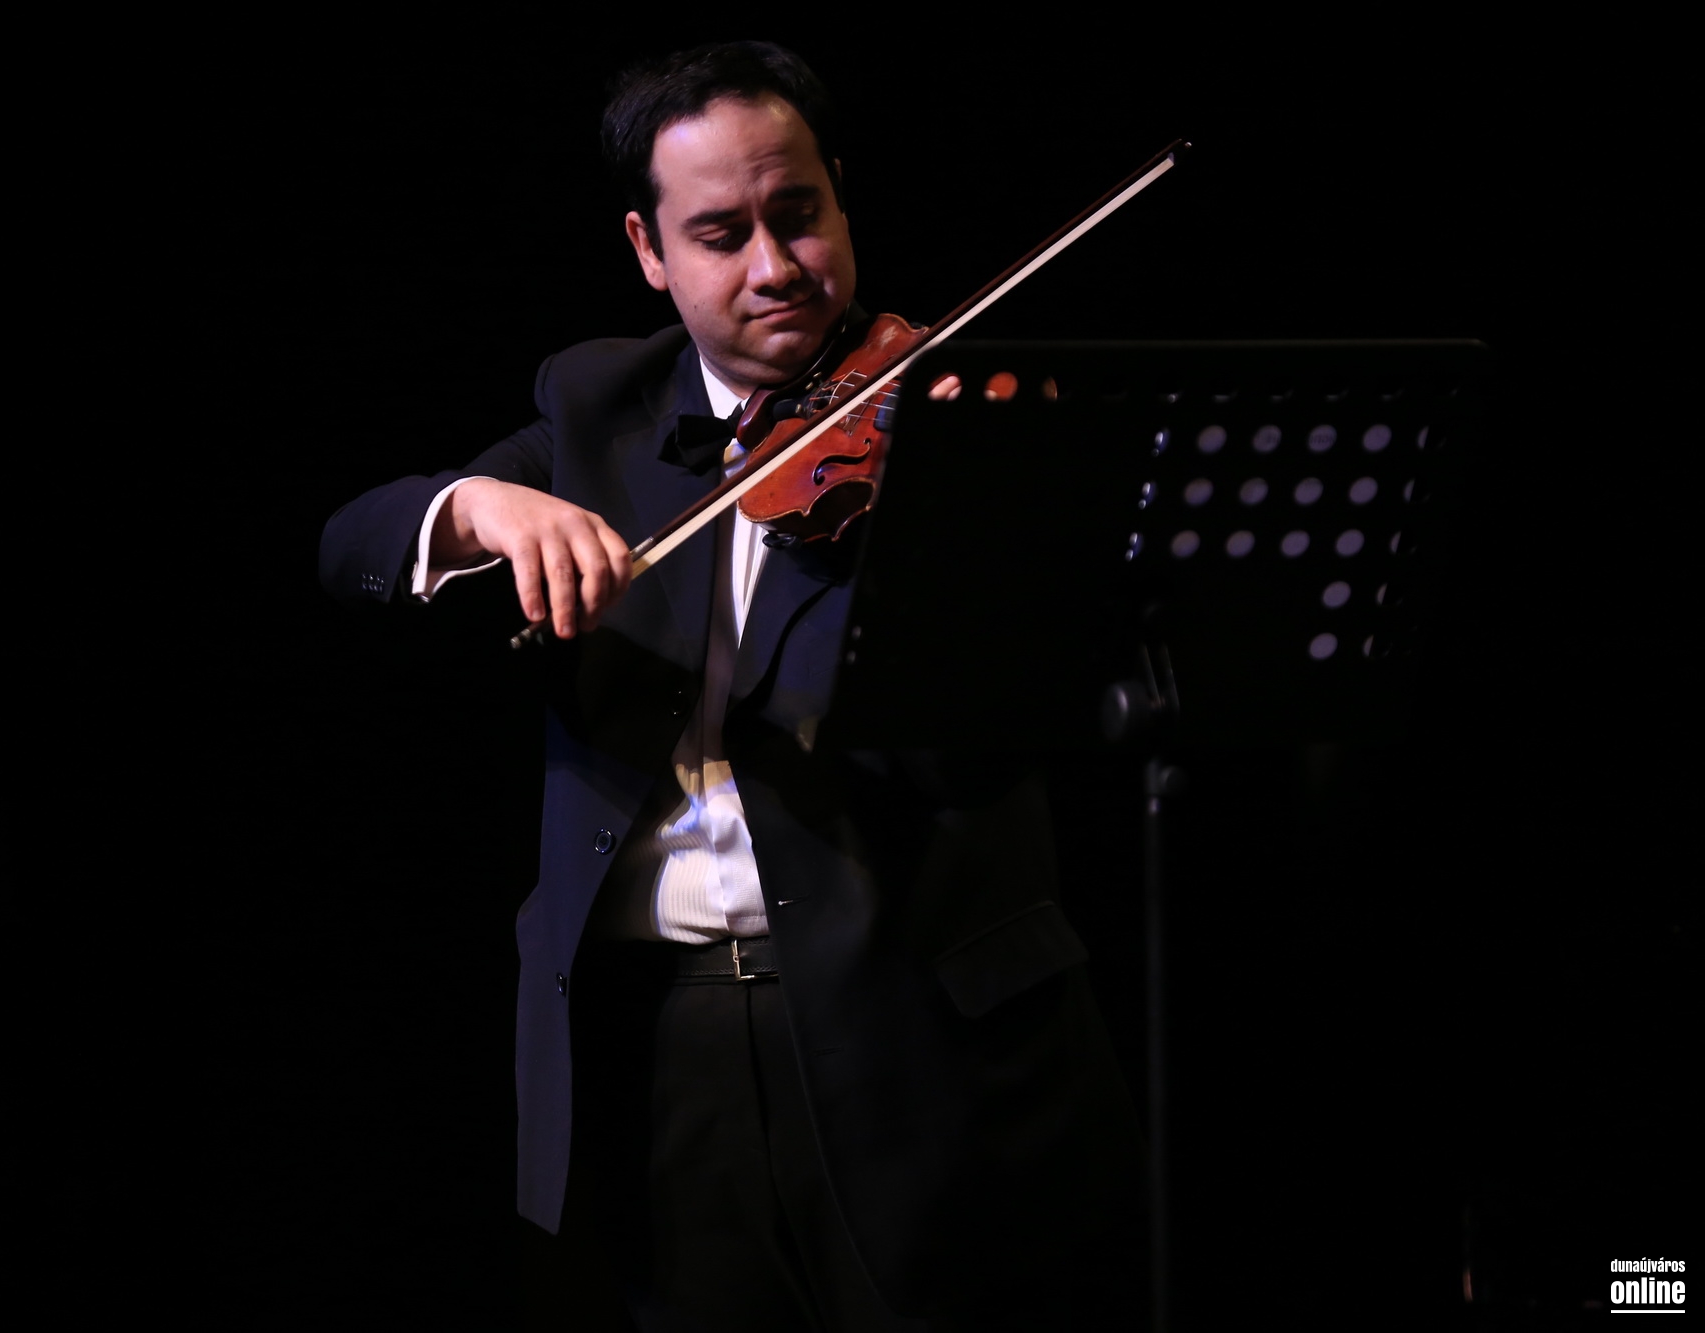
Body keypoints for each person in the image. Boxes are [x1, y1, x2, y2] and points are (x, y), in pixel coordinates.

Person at [320, 41, 1143, 1330]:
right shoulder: (598, 407)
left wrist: (972, 520)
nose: (775, 267)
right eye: (720, 234)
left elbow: (970, 761)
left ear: (841, 201)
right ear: (650, 251)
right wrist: (474, 505)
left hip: (922, 1041)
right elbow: (353, 541)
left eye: (799, 215)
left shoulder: (955, 413)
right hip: (664, 1046)